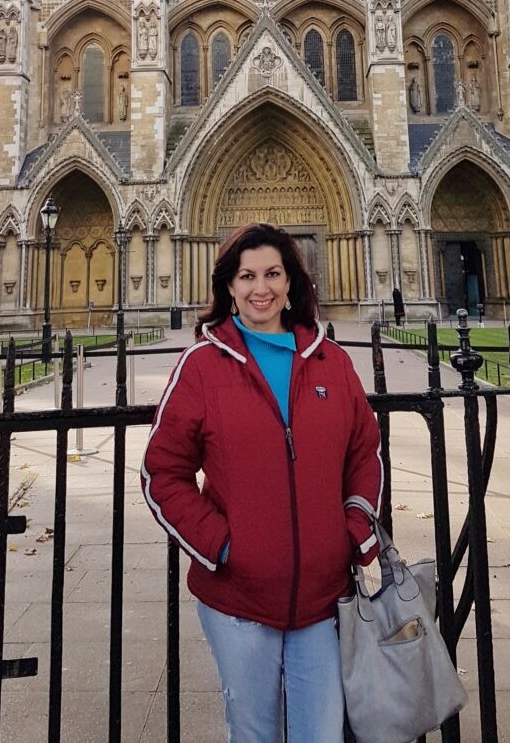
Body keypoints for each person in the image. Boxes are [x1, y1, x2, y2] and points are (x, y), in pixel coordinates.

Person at [141, 223, 382, 743]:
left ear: (291, 282)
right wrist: (223, 546)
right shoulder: (202, 367)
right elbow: (163, 472)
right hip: (239, 600)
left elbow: (365, 451)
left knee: (321, 735)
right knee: (253, 733)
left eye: (272, 273)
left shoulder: (332, 363)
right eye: (246, 276)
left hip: (322, 599)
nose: (260, 288)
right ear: (229, 287)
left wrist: (352, 532)